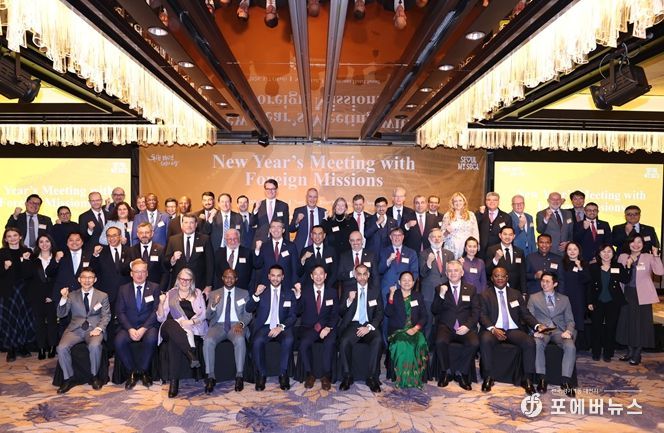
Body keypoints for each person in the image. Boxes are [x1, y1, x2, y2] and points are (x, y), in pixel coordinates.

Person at [479, 267, 544, 395]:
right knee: (485, 340)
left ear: (507, 278)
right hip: (494, 329)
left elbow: (525, 314)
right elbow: (482, 316)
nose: (500, 278)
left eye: (502, 276)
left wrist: (537, 325)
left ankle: (527, 379)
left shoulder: (516, 294)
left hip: (512, 329)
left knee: (529, 342)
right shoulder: (485, 295)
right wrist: (493, 329)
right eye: (496, 276)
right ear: (492, 278)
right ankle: (488, 376)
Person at [55, 267, 111, 394]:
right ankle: (68, 379)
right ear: (79, 280)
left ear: (95, 280)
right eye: (84, 277)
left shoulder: (102, 296)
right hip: (75, 329)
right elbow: (61, 314)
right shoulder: (71, 295)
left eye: (90, 277)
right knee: (61, 348)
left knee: (95, 345)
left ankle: (94, 376)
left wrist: (99, 329)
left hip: (94, 329)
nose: (87, 280)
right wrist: (63, 298)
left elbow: (106, 316)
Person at [157, 267, 208, 398]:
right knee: (171, 324)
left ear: (192, 281)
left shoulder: (197, 293)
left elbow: (203, 315)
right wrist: (161, 303)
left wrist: (191, 322)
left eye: (187, 280)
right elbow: (161, 318)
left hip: (189, 327)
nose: (184, 282)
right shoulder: (171, 293)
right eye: (182, 279)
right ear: (178, 279)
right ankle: (190, 354)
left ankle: (174, 383)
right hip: (169, 327)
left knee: (174, 341)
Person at [246, 265, 297, 391]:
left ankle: (283, 374)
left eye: (278, 276)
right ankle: (261, 374)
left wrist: (280, 327)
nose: (275, 278)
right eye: (273, 275)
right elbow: (248, 308)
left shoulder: (289, 293)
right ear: (268, 276)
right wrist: (256, 295)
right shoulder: (262, 291)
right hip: (264, 326)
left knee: (289, 340)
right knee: (257, 342)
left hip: (282, 326)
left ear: (283, 277)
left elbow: (292, 316)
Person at [616, 234, 664, 365]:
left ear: (643, 244)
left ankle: (637, 353)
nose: (636, 245)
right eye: (633, 242)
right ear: (629, 243)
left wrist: (656, 256)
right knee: (627, 322)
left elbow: (660, 272)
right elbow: (619, 275)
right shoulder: (622, 257)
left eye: (639, 242)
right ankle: (630, 351)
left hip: (643, 295)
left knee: (641, 324)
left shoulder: (648, 257)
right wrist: (627, 265)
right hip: (627, 293)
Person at [431, 260, 479, 391]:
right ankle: (445, 372)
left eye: (456, 270)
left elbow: (476, 312)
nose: (453, 273)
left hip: (465, 327)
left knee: (474, 343)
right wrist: (441, 295)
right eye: (450, 271)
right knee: (440, 341)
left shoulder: (471, 289)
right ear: (446, 273)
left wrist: (467, 326)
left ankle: (462, 373)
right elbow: (434, 310)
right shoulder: (440, 288)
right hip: (446, 326)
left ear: (462, 272)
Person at [527, 272, 577, 397]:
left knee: (570, 346)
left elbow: (570, 320)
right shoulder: (533, 297)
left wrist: (568, 331)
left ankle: (566, 381)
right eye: (542, 281)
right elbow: (529, 317)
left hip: (559, 331)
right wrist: (534, 331)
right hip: (542, 330)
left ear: (555, 284)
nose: (544, 284)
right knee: (538, 343)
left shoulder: (564, 299)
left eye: (547, 281)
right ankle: (542, 379)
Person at [114, 259, 161, 390]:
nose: (139, 275)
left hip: (148, 326)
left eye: (142, 271)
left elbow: (156, 310)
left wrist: (144, 328)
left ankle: (143, 371)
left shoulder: (155, 287)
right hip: (128, 326)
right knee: (119, 342)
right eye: (136, 272)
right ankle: (132, 372)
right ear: (131, 273)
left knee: (151, 339)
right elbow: (120, 312)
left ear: (147, 273)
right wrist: (130, 329)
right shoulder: (123, 289)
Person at [203, 268, 251, 394]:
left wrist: (241, 324)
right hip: (218, 326)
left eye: (232, 277)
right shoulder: (214, 294)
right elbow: (208, 316)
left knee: (240, 339)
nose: (229, 280)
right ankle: (210, 376)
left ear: (236, 279)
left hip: (236, 325)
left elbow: (248, 315)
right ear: (222, 278)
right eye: (226, 277)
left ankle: (239, 376)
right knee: (208, 341)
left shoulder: (244, 293)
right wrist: (214, 305)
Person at [338, 264, 384, 392]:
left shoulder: (375, 290)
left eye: (365, 274)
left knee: (378, 340)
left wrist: (369, 327)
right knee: (344, 341)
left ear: (368, 275)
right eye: (359, 274)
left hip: (369, 325)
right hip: (353, 325)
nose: (362, 277)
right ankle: (347, 376)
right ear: (355, 275)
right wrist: (349, 300)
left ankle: (371, 377)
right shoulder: (348, 289)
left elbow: (380, 313)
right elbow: (340, 311)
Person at [293, 265, 338, 390]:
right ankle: (310, 374)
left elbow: (335, 314)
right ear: (311, 276)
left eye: (321, 274)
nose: (318, 277)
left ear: (325, 276)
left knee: (330, 343)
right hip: (310, 327)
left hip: (327, 327)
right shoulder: (305, 291)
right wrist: (298, 296)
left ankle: (326, 375)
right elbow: (298, 311)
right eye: (315, 274)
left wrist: (328, 328)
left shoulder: (332, 292)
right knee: (303, 344)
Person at [385, 271, 427, 388]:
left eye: (409, 280)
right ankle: (402, 378)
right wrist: (391, 295)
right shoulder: (393, 295)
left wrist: (416, 328)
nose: (407, 282)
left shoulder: (418, 296)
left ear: (413, 282)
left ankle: (416, 377)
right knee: (402, 343)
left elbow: (424, 316)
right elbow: (388, 313)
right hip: (398, 330)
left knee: (420, 343)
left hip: (414, 329)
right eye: (404, 280)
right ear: (399, 282)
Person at [588, 244, 626, 362]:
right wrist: (589, 301)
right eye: (603, 251)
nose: (606, 254)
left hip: (613, 301)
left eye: (609, 251)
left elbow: (625, 279)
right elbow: (589, 286)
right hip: (597, 301)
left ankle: (608, 353)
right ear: (599, 254)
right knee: (596, 328)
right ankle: (596, 352)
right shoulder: (593, 267)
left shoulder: (618, 266)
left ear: (613, 254)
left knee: (611, 328)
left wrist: (629, 266)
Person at [0, 228, 33, 361]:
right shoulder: (1, 252)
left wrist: (26, 261)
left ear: (20, 237)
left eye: (15, 235)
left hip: (24, 290)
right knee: (10, 320)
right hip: (8, 291)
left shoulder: (27, 251)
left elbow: (29, 274)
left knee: (23, 318)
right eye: (9, 236)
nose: (12, 238)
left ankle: (22, 345)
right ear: (5, 239)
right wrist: (4, 267)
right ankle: (11, 348)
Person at [27, 234, 60, 359]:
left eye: (47, 241)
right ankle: (41, 348)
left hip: (53, 295)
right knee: (39, 324)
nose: (44, 244)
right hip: (37, 296)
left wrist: (53, 295)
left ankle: (52, 347)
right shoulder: (32, 259)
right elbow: (29, 279)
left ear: (51, 243)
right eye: (41, 242)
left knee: (52, 323)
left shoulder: (58, 258)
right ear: (38, 244)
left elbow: (59, 279)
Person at [419, 228, 454, 343]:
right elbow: (422, 273)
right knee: (428, 322)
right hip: (429, 294)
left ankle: (439, 347)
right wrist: (429, 262)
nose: (437, 239)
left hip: (445, 293)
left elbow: (452, 275)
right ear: (429, 240)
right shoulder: (423, 254)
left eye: (439, 236)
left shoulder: (449, 254)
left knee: (443, 322)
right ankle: (426, 348)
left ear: (443, 239)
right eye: (434, 237)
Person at [165, 213, 214, 295]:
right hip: (178, 285)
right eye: (186, 222)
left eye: (191, 223)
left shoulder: (205, 239)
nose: (189, 225)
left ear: (196, 225)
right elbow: (165, 262)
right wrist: (172, 259)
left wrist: (209, 285)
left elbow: (210, 264)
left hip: (199, 285)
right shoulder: (173, 240)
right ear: (182, 225)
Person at [253, 220, 299, 293]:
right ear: (270, 230)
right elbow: (257, 265)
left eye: (279, 227)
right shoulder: (264, 246)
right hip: (267, 286)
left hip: (286, 285)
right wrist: (257, 249)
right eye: (273, 227)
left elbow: (295, 268)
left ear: (283, 230)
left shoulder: (291, 246)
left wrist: (295, 285)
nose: (276, 229)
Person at [558, 242, 590, 343]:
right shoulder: (562, 263)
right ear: (566, 251)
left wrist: (580, 267)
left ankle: (576, 344)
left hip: (578, 297)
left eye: (575, 249)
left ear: (579, 251)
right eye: (569, 249)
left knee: (577, 320)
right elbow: (560, 280)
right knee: (565, 319)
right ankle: (565, 343)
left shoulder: (584, 263)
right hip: (565, 295)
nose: (572, 251)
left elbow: (586, 279)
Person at [126, 222, 168, 292]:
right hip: (136, 290)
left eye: (147, 232)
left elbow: (165, 272)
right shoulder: (131, 250)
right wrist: (132, 264)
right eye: (141, 233)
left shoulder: (161, 249)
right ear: (137, 234)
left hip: (155, 289)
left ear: (152, 233)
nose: (144, 235)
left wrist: (161, 290)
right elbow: (124, 270)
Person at [485, 226, 526, 293]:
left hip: (515, 290)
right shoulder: (492, 250)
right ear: (500, 235)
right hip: (497, 289)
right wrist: (496, 259)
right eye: (505, 234)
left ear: (514, 236)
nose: (507, 237)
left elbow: (522, 273)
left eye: (510, 235)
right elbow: (487, 271)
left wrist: (524, 292)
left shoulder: (519, 252)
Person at [442, 192, 479, 259]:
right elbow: (442, 237)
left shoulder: (471, 215)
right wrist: (446, 232)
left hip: (467, 248)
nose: (458, 203)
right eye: (455, 201)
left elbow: (475, 232)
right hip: (451, 248)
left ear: (464, 202)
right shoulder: (447, 215)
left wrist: (476, 246)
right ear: (452, 203)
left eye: (460, 200)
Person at [289, 188, 327, 255]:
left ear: (317, 198)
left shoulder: (323, 212)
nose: (312, 199)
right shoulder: (298, 211)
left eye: (315, 197)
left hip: (318, 249)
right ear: (306, 197)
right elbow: (291, 229)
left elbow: (325, 232)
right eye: (310, 196)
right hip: (301, 249)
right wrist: (297, 221)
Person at [252, 178, 289, 244]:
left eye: (273, 189)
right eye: (268, 189)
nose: (270, 191)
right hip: (260, 241)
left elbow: (286, 226)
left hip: (277, 241)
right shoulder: (258, 205)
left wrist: (286, 243)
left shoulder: (283, 206)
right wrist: (256, 209)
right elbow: (252, 223)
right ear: (265, 190)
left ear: (276, 190)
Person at [475, 192, 511, 259]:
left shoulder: (506, 217)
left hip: (498, 252)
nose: (492, 202)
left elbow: (509, 235)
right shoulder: (479, 213)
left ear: (498, 202)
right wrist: (480, 214)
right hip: (480, 252)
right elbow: (474, 229)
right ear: (485, 201)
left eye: (495, 200)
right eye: (489, 200)